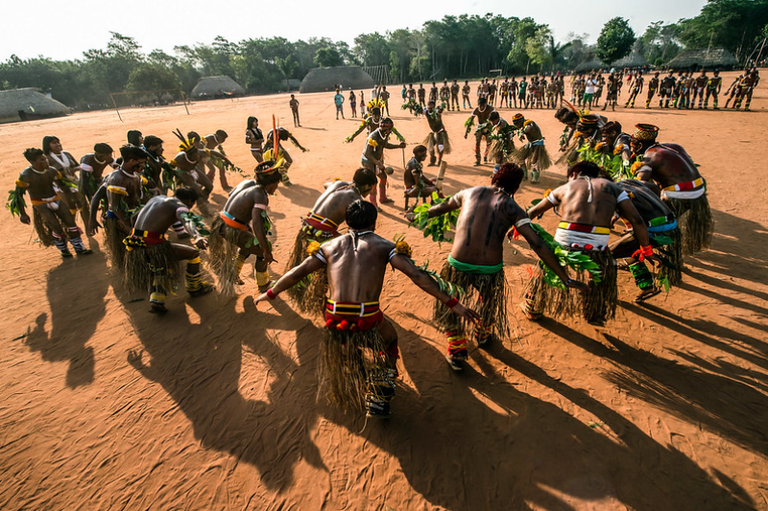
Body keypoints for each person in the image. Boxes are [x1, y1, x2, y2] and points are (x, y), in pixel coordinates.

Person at [254, 200, 479, 418]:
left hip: (334, 316)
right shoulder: (385, 246)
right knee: (389, 340)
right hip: (366, 316)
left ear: (346, 221)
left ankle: (354, 371)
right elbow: (417, 276)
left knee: (345, 342)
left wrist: (271, 293)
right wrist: (453, 304)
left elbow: (296, 273)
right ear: (374, 222)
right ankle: (379, 395)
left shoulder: (329, 246)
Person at [410, 163, 588, 369]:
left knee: (451, 300)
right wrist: (564, 277)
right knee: (489, 302)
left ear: (494, 178)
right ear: (516, 188)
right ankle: (483, 333)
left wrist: (417, 215)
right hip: (489, 270)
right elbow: (537, 243)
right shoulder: (514, 208)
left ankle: (456, 348)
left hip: (458, 264)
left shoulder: (469, 193)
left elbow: (440, 208)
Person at [523, 161, 657, 326]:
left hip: (564, 242)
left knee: (546, 268)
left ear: (574, 174)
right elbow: (636, 220)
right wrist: (646, 248)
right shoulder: (614, 188)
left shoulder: (566, 187)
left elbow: (533, 212)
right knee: (599, 274)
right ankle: (594, 311)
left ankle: (533, 307)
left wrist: (518, 228)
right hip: (597, 245)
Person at [284, 168, 378, 313]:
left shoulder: (339, 184)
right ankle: (323, 299)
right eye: (371, 188)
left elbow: (327, 185)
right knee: (335, 265)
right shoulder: (356, 200)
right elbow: (355, 227)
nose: (370, 192)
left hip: (306, 228)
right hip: (322, 235)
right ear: (366, 186)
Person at [123, 187, 213, 314]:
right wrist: (197, 235)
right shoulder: (179, 206)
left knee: (162, 264)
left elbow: (134, 217)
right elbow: (186, 220)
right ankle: (195, 288)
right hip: (153, 245)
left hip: (134, 244)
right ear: (189, 201)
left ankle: (156, 300)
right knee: (193, 253)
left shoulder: (155, 199)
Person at [630, 123, 713, 254]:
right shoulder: (674, 147)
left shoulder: (648, 158)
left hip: (679, 195)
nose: (632, 151)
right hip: (699, 191)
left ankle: (663, 254)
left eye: (632, 147)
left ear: (639, 145)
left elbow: (640, 185)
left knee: (652, 226)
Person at [208, 161, 283, 297]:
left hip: (221, 221)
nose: (276, 188)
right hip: (232, 228)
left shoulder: (247, 183)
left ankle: (234, 272)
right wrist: (266, 249)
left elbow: (232, 195)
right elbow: (257, 224)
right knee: (261, 251)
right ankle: (263, 284)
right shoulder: (261, 195)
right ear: (272, 182)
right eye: (277, 184)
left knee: (249, 243)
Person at [10, 148, 92, 258]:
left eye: (45, 159)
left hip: (55, 199)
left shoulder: (52, 171)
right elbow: (18, 196)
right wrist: (23, 214)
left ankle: (79, 248)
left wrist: (72, 197)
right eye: (42, 160)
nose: (46, 162)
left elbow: (62, 185)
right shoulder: (26, 176)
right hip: (40, 204)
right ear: (32, 162)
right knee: (56, 227)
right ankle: (64, 250)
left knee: (71, 223)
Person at [611, 179, 682, 300]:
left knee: (608, 253)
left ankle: (605, 292)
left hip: (654, 230)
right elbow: (653, 187)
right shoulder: (629, 182)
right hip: (672, 224)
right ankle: (647, 286)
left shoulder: (610, 193)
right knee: (628, 247)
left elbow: (638, 223)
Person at [101, 145, 149, 269]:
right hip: (120, 219)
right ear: (132, 161)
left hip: (135, 215)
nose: (144, 166)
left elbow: (141, 197)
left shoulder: (136, 176)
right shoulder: (118, 179)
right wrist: (127, 226)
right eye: (142, 163)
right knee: (132, 251)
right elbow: (115, 206)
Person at [43, 136, 89, 229]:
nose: (58, 144)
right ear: (48, 146)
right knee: (69, 208)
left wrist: (75, 169)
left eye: (58, 142)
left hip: (75, 183)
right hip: (59, 186)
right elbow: (47, 173)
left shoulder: (67, 154)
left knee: (83, 205)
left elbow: (77, 165)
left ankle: (88, 228)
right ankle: (71, 229)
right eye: (54, 143)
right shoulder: (47, 158)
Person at [362, 118, 406, 209]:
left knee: (383, 177)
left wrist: (398, 146)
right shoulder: (373, 136)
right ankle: (373, 205)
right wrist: (378, 163)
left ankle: (382, 198)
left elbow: (385, 145)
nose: (391, 131)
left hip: (377, 161)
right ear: (385, 129)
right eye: (389, 130)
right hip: (368, 162)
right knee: (373, 183)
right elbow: (367, 153)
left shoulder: (383, 135)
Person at [511, 113, 551, 183]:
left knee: (534, 161)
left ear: (521, 121)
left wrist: (522, 133)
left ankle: (535, 178)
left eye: (517, 123)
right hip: (530, 143)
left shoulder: (529, 123)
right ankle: (524, 175)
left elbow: (528, 128)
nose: (516, 125)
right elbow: (516, 129)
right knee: (520, 158)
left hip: (538, 144)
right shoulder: (521, 125)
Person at [403, 145, 442, 211]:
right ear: (418, 153)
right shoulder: (414, 165)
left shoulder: (415, 162)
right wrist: (429, 185)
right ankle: (432, 208)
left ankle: (434, 206)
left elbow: (421, 177)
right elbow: (418, 183)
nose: (426, 156)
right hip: (412, 189)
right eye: (424, 154)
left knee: (435, 185)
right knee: (435, 190)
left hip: (415, 186)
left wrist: (430, 182)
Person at [464, 97, 495, 166]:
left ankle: (485, 156)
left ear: (486, 104)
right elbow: (470, 121)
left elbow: (495, 119)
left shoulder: (490, 109)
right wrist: (466, 132)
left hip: (488, 127)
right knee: (477, 143)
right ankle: (478, 160)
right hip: (479, 127)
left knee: (489, 143)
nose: (481, 107)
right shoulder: (476, 110)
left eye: (483, 106)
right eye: (479, 106)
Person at [422, 100, 451, 167]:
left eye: (431, 105)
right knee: (430, 148)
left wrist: (441, 109)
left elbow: (439, 111)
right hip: (433, 132)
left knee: (440, 147)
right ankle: (432, 161)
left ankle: (439, 161)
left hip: (440, 132)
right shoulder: (426, 112)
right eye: (429, 105)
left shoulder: (437, 112)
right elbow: (418, 110)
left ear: (434, 106)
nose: (430, 107)